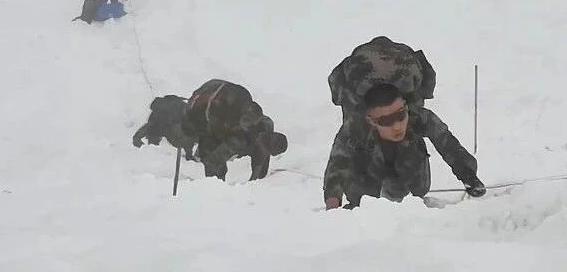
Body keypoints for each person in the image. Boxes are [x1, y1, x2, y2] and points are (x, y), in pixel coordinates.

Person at [323, 83, 484, 209]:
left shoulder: (418, 117)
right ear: (370, 120)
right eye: (386, 121)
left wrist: (469, 177)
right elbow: (337, 165)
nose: (397, 126)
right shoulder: (354, 128)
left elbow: (448, 145)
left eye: (401, 115)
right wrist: (333, 203)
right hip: (368, 200)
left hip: (414, 190)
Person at [133, 79, 289, 181]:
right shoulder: (239, 136)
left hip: (216, 114)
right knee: (182, 136)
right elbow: (214, 159)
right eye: (267, 143)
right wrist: (215, 185)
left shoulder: (265, 128)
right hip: (206, 116)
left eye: (268, 148)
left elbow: (260, 167)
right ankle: (160, 120)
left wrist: (254, 184)